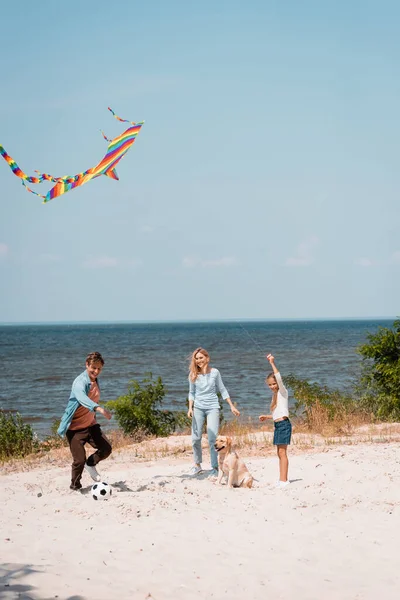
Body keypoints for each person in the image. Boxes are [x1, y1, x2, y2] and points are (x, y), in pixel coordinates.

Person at [57, 351, 112, 490]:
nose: (96, 371)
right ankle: (75, 486)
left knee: (106, 449)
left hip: (90, 425)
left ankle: (91, 464)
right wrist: (99, 409)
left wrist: (94, 415)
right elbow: (82, 397)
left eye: (99, 368)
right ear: (87, 365)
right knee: (79, 460)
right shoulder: (79, 382)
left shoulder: (95, 380)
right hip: (75, 429)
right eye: (93, 367)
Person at [187, 347, 240, 476]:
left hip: (212, 407)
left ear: (207, 358)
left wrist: (231, 406)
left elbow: (222, 389)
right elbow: (191, 392)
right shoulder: (193, 374)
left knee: (212, 439)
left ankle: (215, 467)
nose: (199, 360)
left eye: (201, 358)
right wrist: (190, 408)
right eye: (197, 359)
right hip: (198, 408)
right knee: (195, 438)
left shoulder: (215, 372)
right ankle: (197, 464)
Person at [259, 353, 292, 488]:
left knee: (282, 452)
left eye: (274, 384)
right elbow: (277, 413)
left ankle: (284, 480)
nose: (272, 386)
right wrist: (266, 417)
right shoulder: (275, 397)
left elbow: (278, 376)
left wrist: (272, 362)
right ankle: (282, 479)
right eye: (270, 385)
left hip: (284, 424)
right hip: (278, 425)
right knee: (279, 453)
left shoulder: (283, 392)